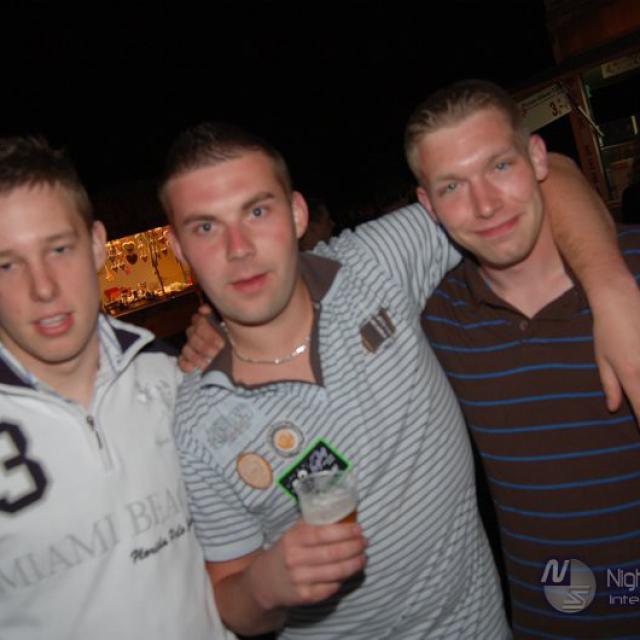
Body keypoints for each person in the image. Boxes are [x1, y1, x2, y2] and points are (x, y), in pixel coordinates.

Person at [162, 121, 638, 638]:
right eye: (205, 228)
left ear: (296, 214)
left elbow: (547, 173)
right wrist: (263, 587)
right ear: (178, 247)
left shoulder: (374, 264)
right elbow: (229, 597)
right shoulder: (196, 419)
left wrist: (611, 290)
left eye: (257, 211)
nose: (238, 248)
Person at [406, 79, 640, 638]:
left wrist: (611, 287)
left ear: (537, 158)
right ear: (428, 205)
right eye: (453, 186)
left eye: (500, 166)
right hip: (547, 624)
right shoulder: (437, 321)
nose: (485, 205)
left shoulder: (631, 269)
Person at [0, 137, 232, 640]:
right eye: (7, 264)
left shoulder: (173, 375)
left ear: (96, 245)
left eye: (58, 249)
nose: (43, 288)